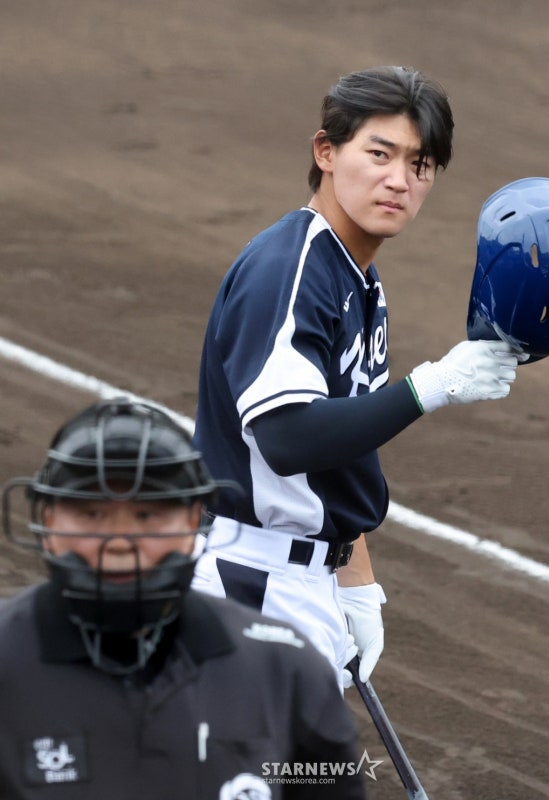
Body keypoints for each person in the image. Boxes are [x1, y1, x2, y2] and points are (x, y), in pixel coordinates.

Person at [191, 65, 526, 690]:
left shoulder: (356, 280)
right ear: (326, 152)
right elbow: (288, 439)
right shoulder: (290, 271)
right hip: (250, 584)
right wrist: (432, 387)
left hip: (298, 578)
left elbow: (340, 452)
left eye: (421, 164)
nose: (400, 180)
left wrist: (356, 583)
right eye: (380, 153)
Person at [0, 397, 366, 799]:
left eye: (148, 515)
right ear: (48, 522)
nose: (121, 541)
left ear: (193, 520)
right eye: (92, 513)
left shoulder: (286, 671)